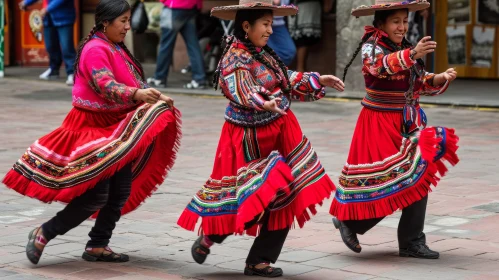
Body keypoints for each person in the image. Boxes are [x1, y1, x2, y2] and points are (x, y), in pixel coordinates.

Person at [3, 0, 181, 265]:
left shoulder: (116, 47)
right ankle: (44, 232)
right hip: (91, 128)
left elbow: (132, 81)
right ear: (105, 22)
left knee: (120, 191)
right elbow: (105, 84)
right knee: (97, 194)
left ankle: (98, 245)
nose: (127, 27)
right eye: (122, 21)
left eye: (128, 20)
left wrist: (150, 95)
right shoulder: (96, 49)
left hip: (115, 126)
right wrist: (136, 93)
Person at [176, 0, 345, 277]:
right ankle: (212, 236)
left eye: (270, 23)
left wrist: (317, 80)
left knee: (287, 192)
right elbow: (240, 86)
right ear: (246, 26)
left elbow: (285, 79)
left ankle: (260, 259)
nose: (269, 29)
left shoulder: (264, 53)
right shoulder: (234, 57)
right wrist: (262, 101)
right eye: (265, 24)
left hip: (280, 130)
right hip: (247, 137)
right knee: (252, 197)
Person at [329, 0, 460, 260]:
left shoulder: (405, 48)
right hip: (378, 122)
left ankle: (411, 241)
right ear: (381, 24)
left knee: (418, 174)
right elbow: (380, 67)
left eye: (404, 21)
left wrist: (439, 78)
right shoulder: (372, 47)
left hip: (406, 122)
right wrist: (412, 55)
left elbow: (418, 82)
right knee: (390, 182)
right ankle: (352, 224)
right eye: (396, 21)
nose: (402, 27)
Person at [146, 0, 207, 89]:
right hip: (192, 6)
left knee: (165, 45)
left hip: (174, 5)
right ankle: (199, 79)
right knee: (193, 45)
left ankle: (159, 78)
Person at [19, 0, 77, 86]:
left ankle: (72, 73)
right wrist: (26, 2)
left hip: (64, 16)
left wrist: (47, 9)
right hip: (48, 18)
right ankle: (54, 70)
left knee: (67, 47)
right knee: (50, 46)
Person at [288, 0, 322, 72]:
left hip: (307, 8)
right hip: (298, 7)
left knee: (305, 38)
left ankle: (301, 69)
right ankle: (300, 69)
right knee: (301, 39)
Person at [267, 0, 296, 66]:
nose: (270, 31)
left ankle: (276, 70)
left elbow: (278, 3)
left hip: (279, 23)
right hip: (261, 19)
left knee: (288, 52)